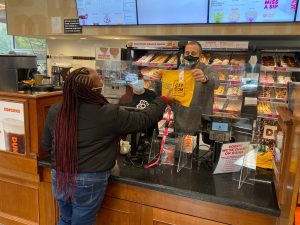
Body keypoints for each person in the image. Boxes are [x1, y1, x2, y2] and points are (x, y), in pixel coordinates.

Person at [42, 67, 170, 225]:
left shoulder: (56, 109)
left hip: (60, 175)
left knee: (65, 219)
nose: (102, 82)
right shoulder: (108, 113)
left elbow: (47, 145)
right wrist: (163, 100)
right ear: (94, 89)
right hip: (89, 178)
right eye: (99, 79)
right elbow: (143, 119)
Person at [154, 41, 219, 133]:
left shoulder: (208, 69)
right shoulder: (180, 70)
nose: (189, 56)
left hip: (200, 121)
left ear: (200, 56)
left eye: (193, 53)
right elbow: (167, 92)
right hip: (180, 119)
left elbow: (216, 83)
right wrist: (158, 81)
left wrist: (206, 79)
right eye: (187, 53)